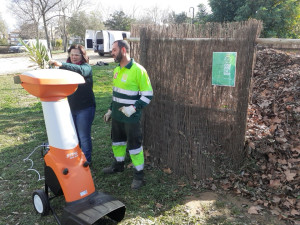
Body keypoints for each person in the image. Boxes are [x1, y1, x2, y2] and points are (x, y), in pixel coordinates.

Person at [102, 40, 153, 189]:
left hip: (131, 118)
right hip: (117, 117)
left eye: (114, 50)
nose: (112, 53)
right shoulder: (116, 70)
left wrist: (133, 108)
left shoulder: (138, 70)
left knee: (134, 146)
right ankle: (118, 165)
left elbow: (148, 95)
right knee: (117, 142)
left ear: (123, 50)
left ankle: (139, 176)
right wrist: (111, 110)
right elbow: (116, 94)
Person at [49, 44, 96, 164]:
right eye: (72, 54)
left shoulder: (86, 67)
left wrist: (62, 64)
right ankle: (77, 159)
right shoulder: (65, 68)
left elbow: (79, 71)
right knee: (73, 136)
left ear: (82, 56)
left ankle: (86, 162)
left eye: (76, 54)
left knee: (83, 137)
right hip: (70, 108)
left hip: (85, 108)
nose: (74, 57)